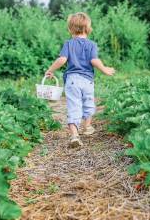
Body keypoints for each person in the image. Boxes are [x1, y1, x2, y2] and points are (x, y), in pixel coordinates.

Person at [45, 12, 115, 147]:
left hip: (72, 80)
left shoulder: (68, 44)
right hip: (87, 81)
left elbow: (62, 60)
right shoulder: (91, 44)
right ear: (88, 28)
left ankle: (74, 136)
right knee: (89, 103)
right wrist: (105, 69)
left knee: (74, 106)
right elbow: (94, 60)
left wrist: (50, 70)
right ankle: (87, 127)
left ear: (70, 28)